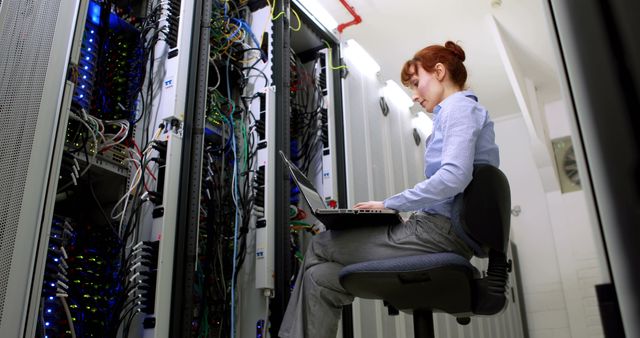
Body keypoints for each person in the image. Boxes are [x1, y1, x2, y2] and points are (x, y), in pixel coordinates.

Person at [278, 41, 500, 338]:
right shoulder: (461, 112)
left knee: (320, 245)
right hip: (442, 232)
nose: (415, 95)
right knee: (320, 277)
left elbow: (454, 178)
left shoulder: (458, 107)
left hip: (438, 235)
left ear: (439, 71)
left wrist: (390, 203)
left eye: (417, 82)